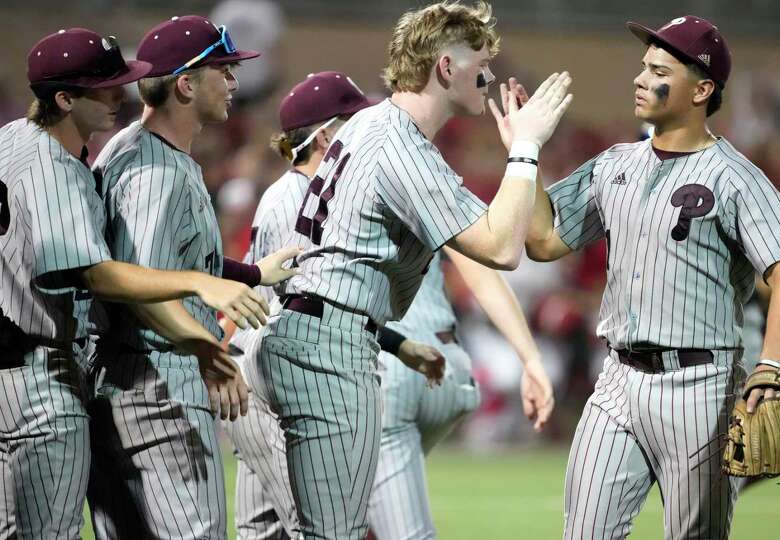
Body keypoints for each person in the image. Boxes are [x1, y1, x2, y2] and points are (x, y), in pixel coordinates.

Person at [253, 2, 570, 537]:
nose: (489, 77)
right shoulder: (396, 139)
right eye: (480, 64)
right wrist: (526, 148)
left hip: (321, 337)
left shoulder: (375, 127)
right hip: (325, 350)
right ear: (445, 67)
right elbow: (500, 250)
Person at [523, 15, 780, 539]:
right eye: (643, 66)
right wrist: (523, 152)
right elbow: (543, 241)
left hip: (701, 387)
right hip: (616, 380)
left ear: (702, 88)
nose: (639, 78)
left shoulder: (735, 175)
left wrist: (771, 365)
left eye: (658, 69)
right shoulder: (614, 162)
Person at [0, 26, 268, 540]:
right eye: (105, 85)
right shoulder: (61, 167)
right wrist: (202, 332)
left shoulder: (18, 140)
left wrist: (245, 273)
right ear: (64, 98)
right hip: (54, 378)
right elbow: (102, 273)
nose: (120, 94)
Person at [84, 16, 296, 539]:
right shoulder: (156, 171)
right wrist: (210, 352)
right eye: (222, 70)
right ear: (185, 83)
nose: (232, 82)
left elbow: (170, 260)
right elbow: (142, 283)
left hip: (126, 377)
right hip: (158, 378)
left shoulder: (133, 146)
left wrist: (248, 272)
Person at [222, 71, 446, 539]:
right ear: (326, 135)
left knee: (262, 532)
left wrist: (399, 345)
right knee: (327, 528)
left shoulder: (297, 192)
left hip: (258, 369)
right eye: (352, 120)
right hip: (272, 380)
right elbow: (311, 302)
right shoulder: (300, 198)